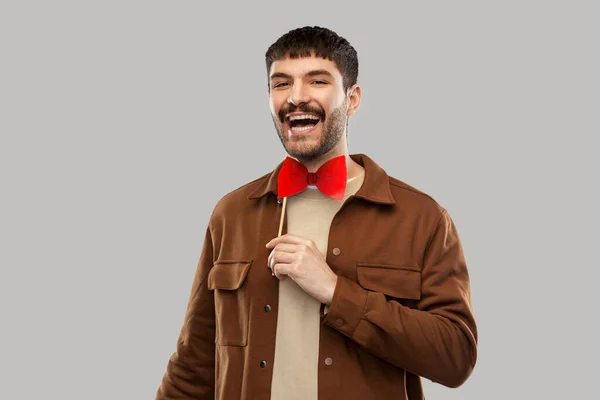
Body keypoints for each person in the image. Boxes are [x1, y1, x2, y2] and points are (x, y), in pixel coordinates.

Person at [156, 26, 478, 400]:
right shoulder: (231, 213)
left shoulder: (422, 218)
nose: (296, 97)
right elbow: (194, 365)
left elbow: (456, 358)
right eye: (281, 84)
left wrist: (335, 291)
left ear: (352, 99)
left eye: (317, 81)